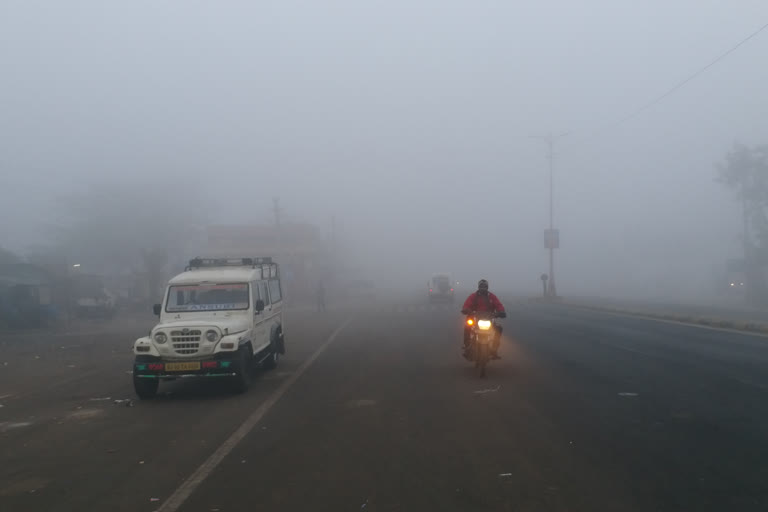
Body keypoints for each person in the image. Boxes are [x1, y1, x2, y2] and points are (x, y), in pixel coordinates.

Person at [461, 279, 506, 359]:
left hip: (488, 319)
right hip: (475, 319)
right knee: (467, 326)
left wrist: (501, 312)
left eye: (485, 286)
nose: (483, 288)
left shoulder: (492, 297)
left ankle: (494, 349)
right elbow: (467, 304)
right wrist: (466, 309)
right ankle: (467, 346)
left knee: (499, 328)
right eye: (481, 286)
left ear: (487, 287)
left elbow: (498, 305)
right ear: (478, 287)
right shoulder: (473, 296)